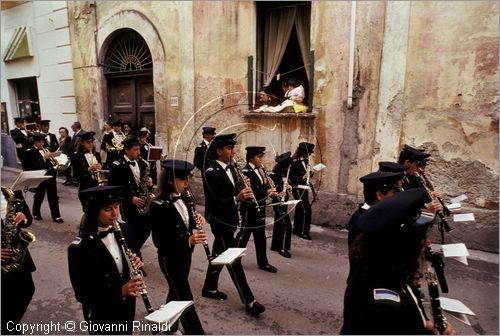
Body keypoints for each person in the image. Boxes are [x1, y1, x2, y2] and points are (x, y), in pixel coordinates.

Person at [341, 188, 455, 335]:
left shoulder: (383, 272)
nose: (427, 242)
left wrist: (425, 325)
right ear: (401, 247)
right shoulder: (384, 306)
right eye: (421, 238)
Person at [202, 133, 266, 316]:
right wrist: (236, 197)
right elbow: (214, 202)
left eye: (232, 148)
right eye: (229, 149)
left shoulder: (233, 169)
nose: (232, 152)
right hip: (219, 221)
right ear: (219, 150)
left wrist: (247, 194)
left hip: (231, 219)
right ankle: (249, 300)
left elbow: (239, 192)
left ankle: (209, 288)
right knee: (233, 260)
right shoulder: (211, 172)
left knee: (218, 254)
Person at [68, 185, 144, 335]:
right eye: (108, 209)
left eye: (116, 207)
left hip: (127, 305)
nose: (115, 213)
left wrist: (138, 263)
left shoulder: (124, 229)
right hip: (101, 313)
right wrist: (119, 292)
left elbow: (136, 253)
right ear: (94, 212)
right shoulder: (79, 248)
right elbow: (83, 294)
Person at [149, 159, 206, 335]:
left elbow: (185, 222)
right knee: (184, 299)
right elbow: (160, 241)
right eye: (183, 179)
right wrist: (188, 240)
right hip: (170, 258)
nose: (187, 182)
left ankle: (165, 327)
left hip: (185, 255)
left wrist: (197, 219)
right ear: (170, 180)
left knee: (175, 294)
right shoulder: (158, 206)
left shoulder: (185, 197)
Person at [346, 171, 404, 284]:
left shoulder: (375, 217)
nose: (396, 197)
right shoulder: (364, 222)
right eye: (393, 193)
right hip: (366, 286)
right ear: (379, 195)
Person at [107, 135, 153, 253]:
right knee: (131, 230)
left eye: (139, 149)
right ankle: (133, 252)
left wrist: (149, 182)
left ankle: (133, 249)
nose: (138, 153)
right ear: (126, 150)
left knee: (146, 228)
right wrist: (130, 198)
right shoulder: (117, 166)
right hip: (127, 205)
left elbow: (143, 181)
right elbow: (112, 188)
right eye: (135, 150)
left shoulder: (142, 163)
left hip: (142, 202)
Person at [236, 146, 277, 273]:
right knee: (243, 236)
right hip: (249, 209)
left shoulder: (260, 170)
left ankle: (263, 262)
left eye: (261, 156)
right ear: (251, 158)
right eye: (259, 157)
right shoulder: (245, 172)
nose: (261, 159)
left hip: (259, 208)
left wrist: (272, 187)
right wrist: (266, 193)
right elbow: (249, 193)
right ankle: (235, 261)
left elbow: (263, 185)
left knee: (260, 236)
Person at [1, 187, 36, 335]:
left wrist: (24, 217)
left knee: (27, 289)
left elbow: (27, 218)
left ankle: (10, 325)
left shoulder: (9, 192)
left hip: (16, 254)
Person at [23, 132, 64, 223]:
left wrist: (55, 157)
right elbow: (30, 166)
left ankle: (56, 216)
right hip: (39, 176)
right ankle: (36, 212)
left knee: (53, 196)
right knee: (39, 195)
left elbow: (53, 162)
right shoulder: (29, 152)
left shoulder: (47, 149)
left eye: (43, 142)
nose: (42, 144)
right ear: (34, 142)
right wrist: (44, 159)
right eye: (39, 142)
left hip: (50, 175)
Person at [398, 145, 442, 213]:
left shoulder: (411, 176)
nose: (419, 169)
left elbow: (417, 196)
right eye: (417, 165)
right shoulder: (397, 179)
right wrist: (425, 208)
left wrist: (429, 196)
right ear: (407, 163)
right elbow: (402, 206)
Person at [270, 151, 293, 258]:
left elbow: (289, 188)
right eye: (288, 165)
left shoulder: (285, 176)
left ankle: (275, 245)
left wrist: (289, 187)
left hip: (284, 202)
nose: (290, 167)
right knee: (286, 224)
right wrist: (279, 193)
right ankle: (283, 248)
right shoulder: (273, 176)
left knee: (279, 222)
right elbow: (271, 191)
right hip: (278, 202)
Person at [290, 142, 315, 240]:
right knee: (306, 210)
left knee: (300, 209)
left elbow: (306, 175)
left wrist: (310, 173)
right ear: (303, 152)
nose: (309, 155)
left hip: (304, 188)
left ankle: (296, 229)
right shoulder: (294, 162)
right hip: (297, 188)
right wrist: (302, 177)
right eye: (307, 153)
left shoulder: (306, 161)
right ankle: (304, 232)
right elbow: (291, 177)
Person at [71, 131, 103, 208]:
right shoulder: (76, 156)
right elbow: (76, 174)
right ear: (82, 143)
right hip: (85, 187)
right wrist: (89, 169)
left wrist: (100, 167)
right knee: (89, 211)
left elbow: (101, 169)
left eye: (92, 142)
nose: (91, 145)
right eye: (88, 142)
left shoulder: (97, 154)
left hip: (98, 186)